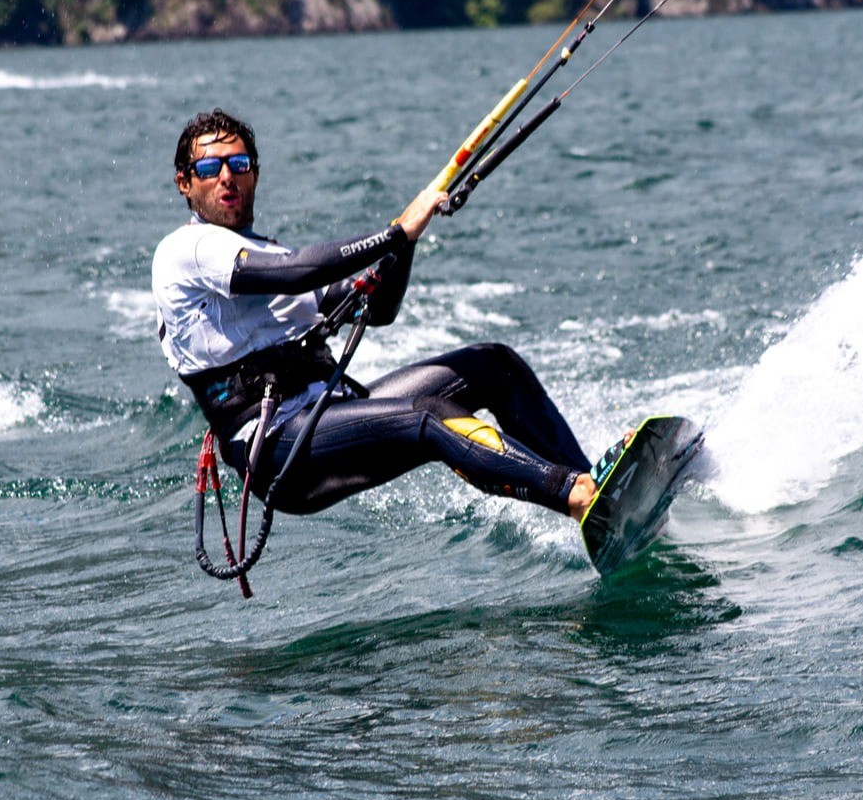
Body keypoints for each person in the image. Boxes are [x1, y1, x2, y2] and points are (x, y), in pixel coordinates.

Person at [152, 108, 601, 523]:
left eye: (239, 164)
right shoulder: (186, 250)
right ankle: (571, 493)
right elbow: (294, 273)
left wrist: (406, 241)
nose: (227, 177)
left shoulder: (268, 250)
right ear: (184, 183)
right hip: (277, 448)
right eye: (209, 169)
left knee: (494, 366)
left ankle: (597, 489)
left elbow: (380, 309)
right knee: (429, 415)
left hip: (333, 411)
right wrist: (392, 234)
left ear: (255, 173)